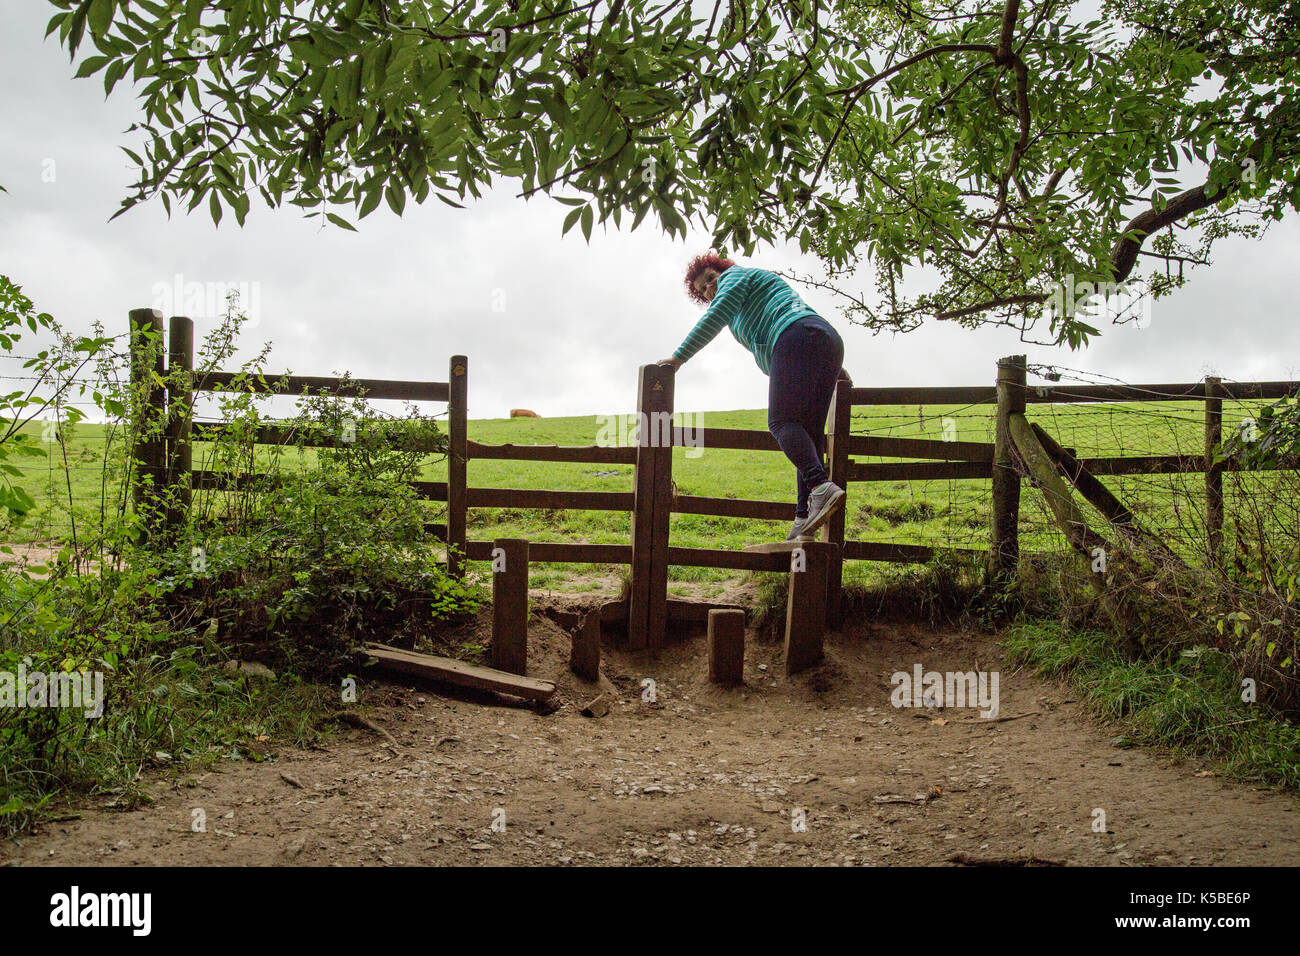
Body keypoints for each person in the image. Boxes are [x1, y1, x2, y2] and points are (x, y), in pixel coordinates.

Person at [657, 254, 850, 542]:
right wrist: (832, 367)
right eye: (702, 290)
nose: (709, 288)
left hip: (795, 335)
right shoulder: (743, 308)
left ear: (722, 269)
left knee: (781, 423)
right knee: (808, 435)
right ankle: (803, 518)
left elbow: (717, 314)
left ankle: (821, 486)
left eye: (710, 278)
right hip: (822, 340)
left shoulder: (736, 277)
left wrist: (678, 359)